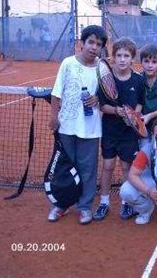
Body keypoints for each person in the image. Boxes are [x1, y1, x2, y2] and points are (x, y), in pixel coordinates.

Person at [48, 25, 107, 225]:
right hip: (66, 126)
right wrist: (54, 116)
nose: (94, 47)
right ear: (81, 43)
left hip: (91, 128)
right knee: (64, 168)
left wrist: (97, 99)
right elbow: (57, 92)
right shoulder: (68, 63)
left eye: (98, 44)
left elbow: (108, 94)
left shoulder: (102, 67)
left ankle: (84, 207)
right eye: (91, 42)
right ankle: (62, 204)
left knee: (88, 169)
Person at [93, 38, 145, 222]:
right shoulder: (107, 78)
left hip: (129, 132)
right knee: (107, 166)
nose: (122, 59)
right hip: (110, 130)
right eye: (119, 55)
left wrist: (132, 115)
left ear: (132, 58)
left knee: (126, 167)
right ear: (113, 57)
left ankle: (126, 202)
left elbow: (140, 103)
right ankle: (104, 202)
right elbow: (102, 105)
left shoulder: (138, 79)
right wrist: (116, 110)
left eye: (126, 56)